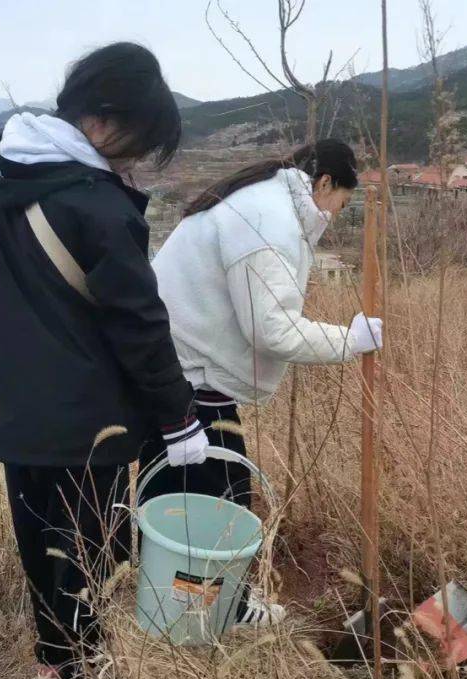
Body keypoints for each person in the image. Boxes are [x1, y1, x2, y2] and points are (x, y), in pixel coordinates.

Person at [0, 43, 210, 679]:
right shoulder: (99, 206)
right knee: (85, 540)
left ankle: (51, 654)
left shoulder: (3, 168)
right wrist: (178, 418)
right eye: (138, 142)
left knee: (37, 531)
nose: (135, 160)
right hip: (80, 413)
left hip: (8, 399)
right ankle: (77, 670)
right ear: (108, 118)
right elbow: (139, 321)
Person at [143, 139, 383, 624]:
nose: (336, 215)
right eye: (342, 203)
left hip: (171, 368)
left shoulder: (261, 201)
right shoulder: (267, 221)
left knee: (174, 495)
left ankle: (169, 597)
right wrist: (349, 340)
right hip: (190, 377)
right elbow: (271, 328)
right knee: (219, 499)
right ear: (324, 183)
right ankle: (207, 611)